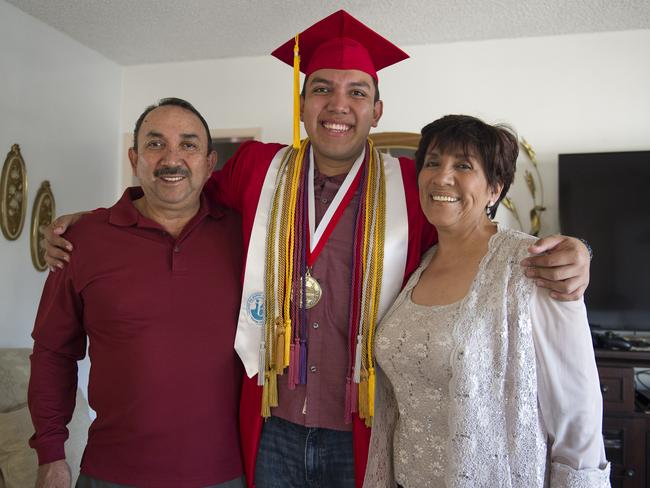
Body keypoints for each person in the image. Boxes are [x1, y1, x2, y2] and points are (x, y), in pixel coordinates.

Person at [41, 11, 593, 488]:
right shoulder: (258, 168)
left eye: (358, 92)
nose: (338, 104)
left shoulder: (411, 185)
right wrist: (94, 220)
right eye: (322, 88)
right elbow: (175, 191)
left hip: (364, 428)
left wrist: (575, 253)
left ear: (377, 110)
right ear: (302, 104)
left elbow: (474, 241)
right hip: (268, 423)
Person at [363, 115, 610, 488]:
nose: (442, 176)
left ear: (495, 188)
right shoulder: (418, 264)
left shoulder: (531, 265)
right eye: (433, 162)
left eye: (463, 165)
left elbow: (578, 413)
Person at [29, 98, 245, 488]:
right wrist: (51, 455)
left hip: (224, 476)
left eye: (189, 144)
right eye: (156, 143)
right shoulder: (82, 240)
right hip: (111, 474)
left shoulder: (246, 237)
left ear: (210, 162)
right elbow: (52, 352)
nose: (171, 159)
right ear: (134, 157)